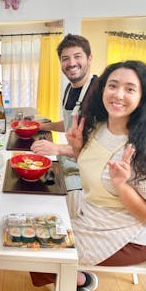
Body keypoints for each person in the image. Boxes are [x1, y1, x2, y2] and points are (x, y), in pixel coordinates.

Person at [30, 60, 146, 291]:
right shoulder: (99, 127)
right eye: (113, 86)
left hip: (129, 236)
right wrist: (78, 149)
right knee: (32, 217)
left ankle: (78, 281)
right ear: (102, 90)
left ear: (143, 98)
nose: (118, 94)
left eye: (130, 89)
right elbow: (94, 170)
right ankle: (73, 274)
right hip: (93, 210)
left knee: (37, 248)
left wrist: (122, 186)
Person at [31, 34, 98, 191]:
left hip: (86, 178)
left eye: (77, 56)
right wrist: (43, 127)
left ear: (89, 59)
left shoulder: (98, 92)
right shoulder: (70, 88)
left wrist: (57, 148)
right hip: (70, 162)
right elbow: (70, 124)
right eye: (65, 58)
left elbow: (98, 149)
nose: (71, 63)